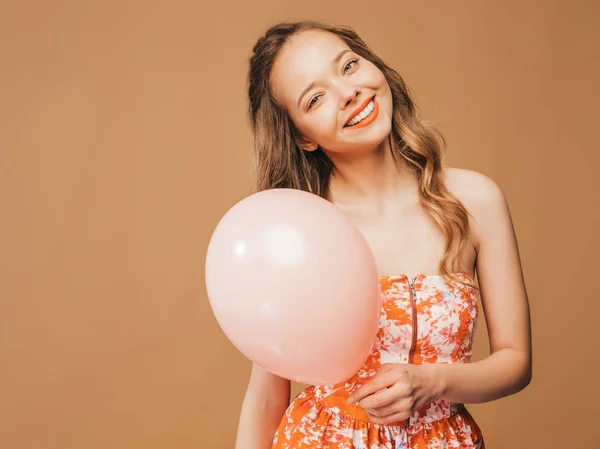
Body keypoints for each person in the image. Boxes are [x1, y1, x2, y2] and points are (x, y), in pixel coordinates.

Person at [235, 20, 532, 449]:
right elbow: (266, 397)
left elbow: (515, 361)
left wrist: (434, 381)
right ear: (302, 136)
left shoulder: (475, 200)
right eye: (316, 98)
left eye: (349, 66)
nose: (348, 93)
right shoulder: (298, 226)